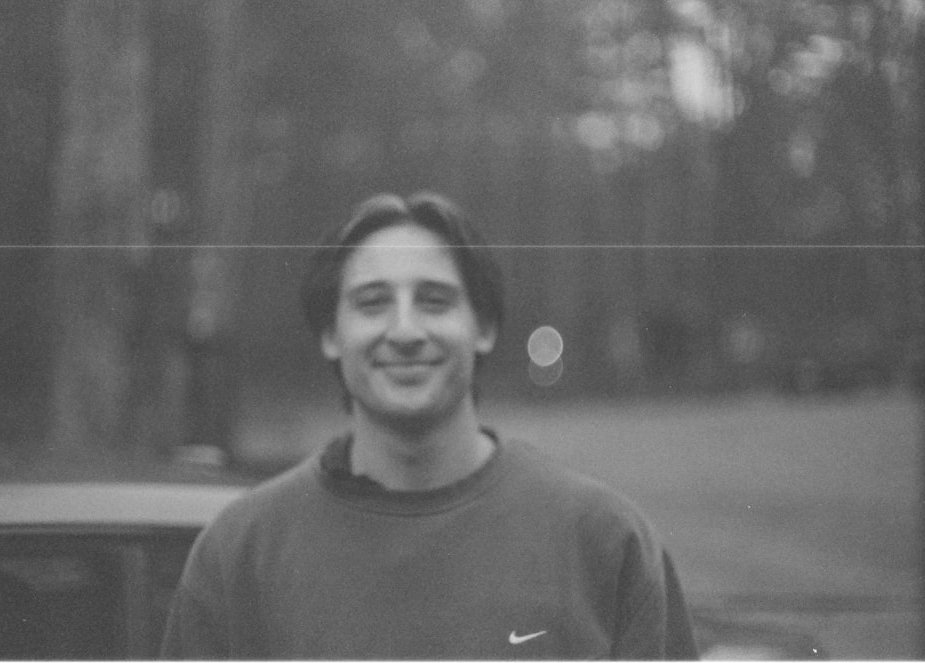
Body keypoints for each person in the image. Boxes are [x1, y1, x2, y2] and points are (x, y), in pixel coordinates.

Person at [160, 191, 698, 659]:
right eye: (372, 304)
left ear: (483, 326)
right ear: (331, 334)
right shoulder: (239, 554)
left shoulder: (604, 540)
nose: (405, 330)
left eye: (434, 301)